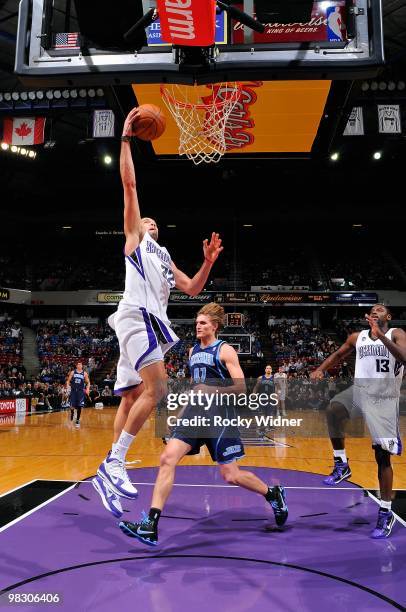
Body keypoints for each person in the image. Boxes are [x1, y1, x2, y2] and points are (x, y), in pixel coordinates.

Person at [92, 107, 224, 518]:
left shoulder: (163, 256)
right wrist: (127, 139)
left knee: (133, 395)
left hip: (150, 325)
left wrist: (207, 263)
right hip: (136, 317)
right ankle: (113, 461)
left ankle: (111, 468)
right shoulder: (134, 239)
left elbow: (192, 288)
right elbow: (129, 186)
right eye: (143, 220)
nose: (148, 221)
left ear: (159, 231)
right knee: (159, 391)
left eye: (152, 222)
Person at [118, 303, 288, 545]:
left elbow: (241, 389)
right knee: (167, 458)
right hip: (195, 416)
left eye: (203, 323)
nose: (198, 326)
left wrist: (211, 389)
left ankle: (272, 494)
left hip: (220, 418)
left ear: (215, 326)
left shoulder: (225, 351)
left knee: (231, 475)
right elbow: (194, 389)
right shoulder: (192, 352)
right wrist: (180, 414)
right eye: (197, 322)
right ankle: (150, 525)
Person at [311, 304, 406, 538]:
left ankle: (386, 513)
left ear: (388, 317)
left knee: (382, 457)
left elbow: (404, 357)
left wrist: (381, 335)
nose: (375, 312)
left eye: (380, 310)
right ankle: (341, 464)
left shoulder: (396, 334)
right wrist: (321, 369)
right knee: (333, 409)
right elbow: (338, 354)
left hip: (383, 400)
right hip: (360, 392)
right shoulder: (357, 337)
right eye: (372, 310)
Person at [66, 361, 90, 428]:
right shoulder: (73, 372)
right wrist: (68, 385)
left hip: (80, 392)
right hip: (73, 391)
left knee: (79, 406)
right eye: (78, 364)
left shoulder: (84, 373)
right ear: (76, 366)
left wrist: (87, 389)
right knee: (72, 405)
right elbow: (68, 381)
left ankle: (77, 420)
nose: (79, 365)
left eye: (80, 364)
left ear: (82, 366)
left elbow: (88, 382)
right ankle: (72, 413)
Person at [253, 365, 276, 435]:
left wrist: (277, 394)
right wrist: (254, 393)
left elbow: (278, 388)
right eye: (267, 368)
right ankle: (262, 426)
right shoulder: (260, 378)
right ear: (265, 370)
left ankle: (270, 426)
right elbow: (256, 387)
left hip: (271, 398)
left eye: (270, 368)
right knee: (262, 413)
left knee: (270, 413)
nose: (268, 369)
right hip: (262, 398)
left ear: (271, 370)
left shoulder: (275, 378)